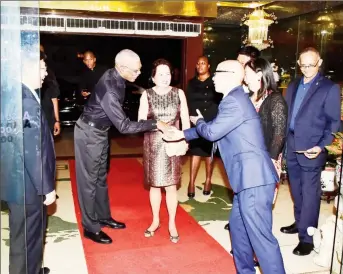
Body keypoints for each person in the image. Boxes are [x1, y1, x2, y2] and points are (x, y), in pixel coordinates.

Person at [165, 60, 285, 273]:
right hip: (245, 181)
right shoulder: (233, 99)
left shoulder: (234, 101)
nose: (213, 77)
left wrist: (198, 122)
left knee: (262, 241)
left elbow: (210, 132)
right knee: (238, 232)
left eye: (217, 73)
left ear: (230, 75)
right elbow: (217, 128)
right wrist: (182, 134)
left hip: (254, 180)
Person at [74, 49, 169, 244]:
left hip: (101, 132)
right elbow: (124, 126)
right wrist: (155, 123)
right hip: (89, 134)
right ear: (123, 68)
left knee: (100, 178)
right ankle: (90, 227)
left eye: (140, 69)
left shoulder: (117, 76)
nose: (139, 73)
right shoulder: (110, 86)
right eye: (136, 70)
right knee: (88, 183)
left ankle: (103, 216)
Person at [1, 37, 56, 274]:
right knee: (27, 238)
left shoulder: (13, 93)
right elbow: (33, 150)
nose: (45, 73)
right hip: (28, 183)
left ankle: (32, 269)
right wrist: (47, 187)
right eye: (42, 68)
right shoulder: (26, 101)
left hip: (16, 179)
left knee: (24, 235)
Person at [280, 47, 341, 256]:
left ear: (319, 62)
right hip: (292, 144)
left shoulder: (329, 88)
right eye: (303, 65)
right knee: (296, 191)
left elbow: (334, 122)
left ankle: (307, 238)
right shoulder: (293, 84)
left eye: (311, 65)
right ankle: (299, 223)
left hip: (313, 149)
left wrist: (322, 145)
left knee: (310, 194)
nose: (306, 69)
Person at [138, 59, 190, 243]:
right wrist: (158, 127)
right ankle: (155, 221)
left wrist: (186, 138)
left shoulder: (179, 93)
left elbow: (185, 118)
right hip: (153, 145)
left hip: (173, 145)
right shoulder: (147, 95)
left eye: (167, 73)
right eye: (160, 74)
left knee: (171, 185)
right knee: (154, 185)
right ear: (153, 77)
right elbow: (141, 122)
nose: (165, 77)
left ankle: (172, 224)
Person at [224, 45, 260, 230]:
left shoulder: (261, 94)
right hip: (239, 151)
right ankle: (238, 221)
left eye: (242, 62)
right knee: (240, 188)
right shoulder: (236, 89)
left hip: (257, 153)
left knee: (256, 200)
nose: (238, 65)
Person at [186, 56, 221, 198]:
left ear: (208, 66)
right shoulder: (191, 83)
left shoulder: (214, 82)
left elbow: (219, 100)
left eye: (203, 63)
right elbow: (188, 101)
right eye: (198, 63)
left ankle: (208, 180)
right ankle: (192, 183)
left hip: (211, 120)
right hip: (195, 121)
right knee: (195, 152)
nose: (200, 66)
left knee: (209, 154)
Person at [40, 44, 61, 136]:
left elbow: (54, 99)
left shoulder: (49, 73)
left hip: (46, 118)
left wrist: (57, 120)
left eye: (41, 52)